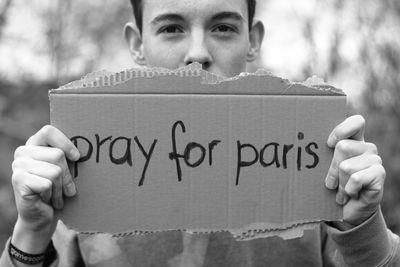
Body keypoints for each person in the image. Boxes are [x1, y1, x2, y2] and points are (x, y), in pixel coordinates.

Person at [1, 0, 399, 266]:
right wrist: (32, 231)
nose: (198, 52)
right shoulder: (85, 169)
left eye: (223, 27)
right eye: (172, 28)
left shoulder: (313, 161)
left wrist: (365, 225)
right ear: (137, 44)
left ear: (253, 40)